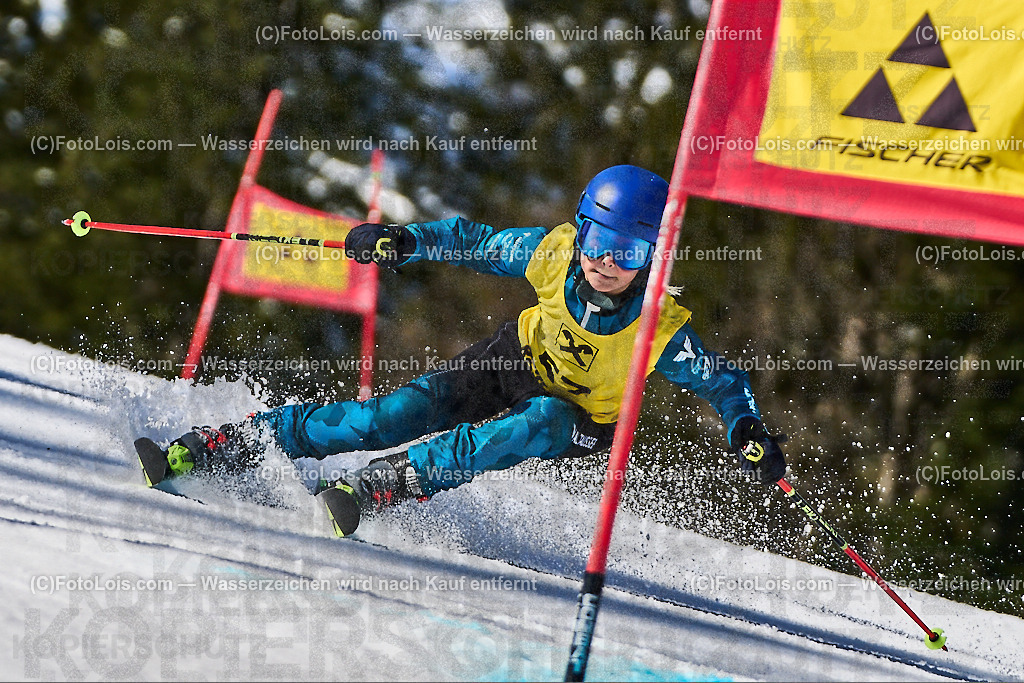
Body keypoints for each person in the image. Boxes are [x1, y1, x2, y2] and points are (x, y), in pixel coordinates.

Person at [152, 165, 787, 534]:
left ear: (650, 257)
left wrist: (747, 429)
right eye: (596, 239)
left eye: (625, 253)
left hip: (582, 416)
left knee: (542, 421)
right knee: (389, 417)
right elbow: (474, 241)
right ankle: (243, 442)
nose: (602, 263)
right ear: (581, 229)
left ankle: (399, 481)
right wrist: (404, 240)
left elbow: (724, 384)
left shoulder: (658, 327)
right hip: (514, 357)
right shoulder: (555, 254)